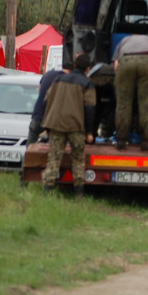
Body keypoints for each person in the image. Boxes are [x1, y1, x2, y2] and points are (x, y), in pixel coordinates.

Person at [42, 53, 96, 198]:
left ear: (74, 65)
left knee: (53, 158)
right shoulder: (87, 84)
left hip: (56, 124)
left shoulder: (58, 79)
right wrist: (89, 132)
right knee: (78, 158)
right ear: (88, 68)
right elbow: (90, 108)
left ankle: (47, 189)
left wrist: (47, 124)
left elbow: (46, 100)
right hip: (76, 127)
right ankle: (79, 192)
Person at [113, 31, 148, 151]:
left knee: (123, 104)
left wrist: (122, 78)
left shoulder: (124, 41)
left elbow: (116, 65)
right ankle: (146, 141)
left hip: (126, 60)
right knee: (147, 104)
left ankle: (121, 140)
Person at [28, 64, 71, 145]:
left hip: (37, 116)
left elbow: (40, 89)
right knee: (53, 149)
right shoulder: (66, 80)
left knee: (30, 148)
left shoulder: (48, 74)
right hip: (52, 121)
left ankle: (28, 156)